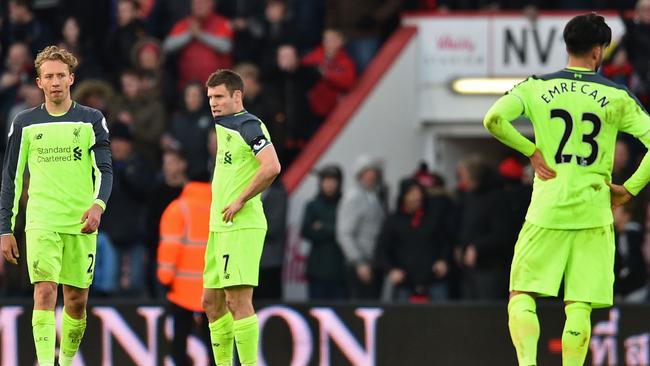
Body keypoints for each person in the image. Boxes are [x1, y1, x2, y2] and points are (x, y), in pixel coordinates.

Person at [483, 13, 650, 366]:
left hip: (547, 209)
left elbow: (493, 119)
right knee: (579, 303)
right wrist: (630, 189)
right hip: (593, 208)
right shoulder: (615, 95)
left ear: (567, 46)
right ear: (599, 51)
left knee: (522, 293)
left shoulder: (536, 86)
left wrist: (531, 151)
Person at [0, 46, 113, 366]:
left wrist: (98, 206)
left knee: (76, 302)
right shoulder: (25, 123)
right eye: (48, 76)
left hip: (80, 221)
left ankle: (66, 361)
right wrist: (4, 229)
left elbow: (104, 170)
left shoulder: (92, 120)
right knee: (45, 292)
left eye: (60, 76)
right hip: (42, 221)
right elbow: (10, 178)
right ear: (39, 82)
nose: (55, 82)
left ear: (71, 79)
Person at [202, 69, 281, 366]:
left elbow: (271, 166)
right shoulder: (225, 125)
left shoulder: (247, 124)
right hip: (219, 226)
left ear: (237, 96)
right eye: (210, 97)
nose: (213, 102)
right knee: (211, 303)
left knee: (237, 301)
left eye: (219, 96)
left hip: (241, 224)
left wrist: (240, 199)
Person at [158, 177, 211, 366]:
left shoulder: (178, 209)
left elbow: (170, 247)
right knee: (215, 343)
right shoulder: (220, 208)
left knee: (179, 341)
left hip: (182, 289)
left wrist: (165, 278)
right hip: (212, 289)